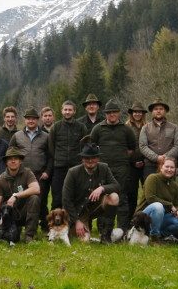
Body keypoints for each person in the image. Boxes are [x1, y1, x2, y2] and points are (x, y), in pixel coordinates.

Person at [90, 100, 137, 232]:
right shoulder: (98, 129)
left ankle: (122, 229)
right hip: (103, 169)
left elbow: (132, 148)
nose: (112, 114)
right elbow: (91, 147)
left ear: (118, 113)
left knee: (121, 197)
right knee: (103, 197)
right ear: (105, 114)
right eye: (109, 112)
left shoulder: (126, 129)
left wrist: (120, 158)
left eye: (114, 112)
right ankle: (103, 228)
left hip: (122, 168)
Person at [62, 142, 120, 242]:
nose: (90, 160)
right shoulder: (72, 172)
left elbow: (116, 186)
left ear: (98, 158)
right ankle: (83, 228)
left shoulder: (104, 168)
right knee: (84, 240)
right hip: (78, 212)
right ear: (82, 159)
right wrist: (77, 221)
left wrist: (102, 188)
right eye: (87, 158)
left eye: (93, 158)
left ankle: (106, 234)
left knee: (114, 197)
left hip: (94, 207)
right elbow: (66, 200)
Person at [0, 147, 41, 242]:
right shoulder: (0, 179)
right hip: (7, 214)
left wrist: (16, 195)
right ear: (6, 162)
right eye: (10, 159)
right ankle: (4, 232)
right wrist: (1, 216)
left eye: (16, 159)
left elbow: (36, 189)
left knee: (34, 198)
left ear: (20, 161)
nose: (13, 161)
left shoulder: (27, 173)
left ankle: (29, 236)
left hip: (24, 212)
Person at [47, 100, 86, 210]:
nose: (67, 112)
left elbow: (85, 145)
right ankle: (55, 224)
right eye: (65, 110)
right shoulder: (56, 127)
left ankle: (75, 223)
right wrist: (58, 158)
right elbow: (51, 146)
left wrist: (80, 160)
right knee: (57, 197)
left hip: (76, 167)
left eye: (70, 110)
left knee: (77, 195)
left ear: (74, 111)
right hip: (59, 167)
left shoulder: (81, 127)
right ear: (61, 111)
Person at [137, 157, 178, 239]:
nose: (169, 169)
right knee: (158, 206)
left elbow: (177, 204)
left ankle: (160, 235)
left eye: (172, 167)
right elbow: (150, 198)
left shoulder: (175, 186)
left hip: (162, 217)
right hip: (145, 216)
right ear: (161, 167)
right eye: (167, 166)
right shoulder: (152, 178)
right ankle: (154, 237)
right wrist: (170, 205)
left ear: (175, 169)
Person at [11, 107, 50, 217]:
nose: (31, 121)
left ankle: (43, 224)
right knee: (21, 199)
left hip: (40, 175)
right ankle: (20, 223)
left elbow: (51, 156)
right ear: (25, 120)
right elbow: (10, 154)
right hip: (22, 174)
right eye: (28, 119)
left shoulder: (46, 136)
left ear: (38, 120)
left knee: (41, 200)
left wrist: (47, 171)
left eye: (33, 119)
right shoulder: (17, 136)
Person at [138, 99, 178, 178]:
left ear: (165, 111)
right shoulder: (145, 128)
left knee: (169, 190)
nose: (158, 111)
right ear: (152, 112)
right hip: (150, 166)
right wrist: (156, 158)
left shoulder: (174, 127)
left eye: (161, 109)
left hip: (169, 166)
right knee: (150, 189)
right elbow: (143, 146)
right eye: (156, 109)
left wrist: (166, 157)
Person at [125, 102, 148, 212]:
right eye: (135, 112)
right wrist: (132, 161)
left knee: (147, 191)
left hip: (146, 163)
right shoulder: (126, 127)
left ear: (143, 114)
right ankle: (130, 219)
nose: (137, 114)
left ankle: (145, 217)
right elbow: (124, 147)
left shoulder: (148, 126)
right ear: (132, 113)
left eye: (139, 112)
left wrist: (144, 160)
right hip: (131, 165)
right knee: (131, 193)